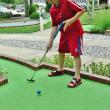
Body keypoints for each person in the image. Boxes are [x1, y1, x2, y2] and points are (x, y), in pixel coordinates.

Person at [46, 0, 85, 88]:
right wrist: (50, 41)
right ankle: (60, 70)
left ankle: (77, 77)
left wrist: (70, 21)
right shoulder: (52, 10)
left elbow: (82, 10)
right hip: (64, 33)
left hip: (75, 32)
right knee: (61, 51)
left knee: (76, 54)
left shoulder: (66, 1)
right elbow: (55, 26)